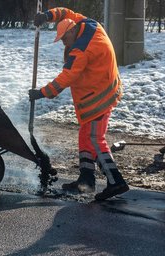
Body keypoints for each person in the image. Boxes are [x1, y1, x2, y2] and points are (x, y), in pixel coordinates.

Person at [30, 7, 129, 200]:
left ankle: (116, 181)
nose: (63, 44)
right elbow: (65, 12)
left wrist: (40, 93)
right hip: (104, 86)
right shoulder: (87, 24)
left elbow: (66, 78)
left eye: (64, 39)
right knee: (86, 135)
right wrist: (47, 16)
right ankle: (86, 180)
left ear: (71, 32)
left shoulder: (81, 50)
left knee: (95, 138)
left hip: (99, 97)